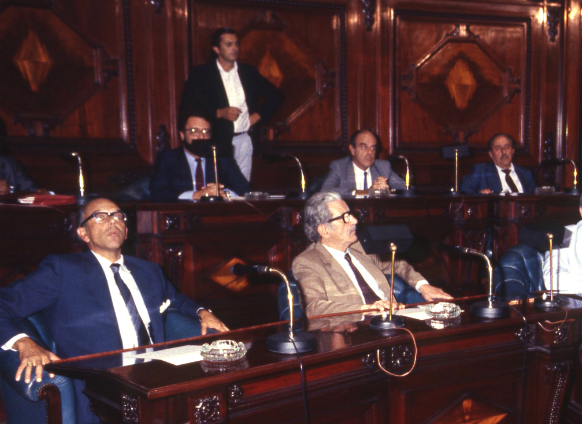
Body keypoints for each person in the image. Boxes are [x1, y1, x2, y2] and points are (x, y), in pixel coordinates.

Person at [0, 198, 228, 424]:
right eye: (100, 216)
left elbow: (177, 298)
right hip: (102, 385)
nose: (112, 221)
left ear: (127, 231)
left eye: (118, 216)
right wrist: (24, 343)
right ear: (83, 233)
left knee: (219, 399)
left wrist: (202, 311)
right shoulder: (62, 271)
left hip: (157, 372)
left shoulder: (149, 271)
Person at [292, 191, 451, 316]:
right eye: (345, 218)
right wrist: (366, 309)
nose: (354, 221)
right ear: (324, 230)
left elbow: (397, 265)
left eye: (352, 215)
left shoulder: (359, 247)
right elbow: (314, 307)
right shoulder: (308, 261)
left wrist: (424, 286)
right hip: (352, 332)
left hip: (394, 319)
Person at [179, 27, 283, 180]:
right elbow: (188, 108)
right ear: (216, 49)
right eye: (229, 44)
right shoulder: (202, 74)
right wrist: (219, 113)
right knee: (217, 188)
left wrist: (257, 116)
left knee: (241, 190)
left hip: (244, 140)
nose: (234, 48)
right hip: (216, 142)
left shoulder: (248, 72)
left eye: (236, 44)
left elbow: (277, 96)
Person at [150, 113, 251, 201]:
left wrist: (223, 194)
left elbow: (246, 190)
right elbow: (158, 192)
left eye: (205, 131)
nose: (201, 137)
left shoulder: (221, 158)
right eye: (194, 131)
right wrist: (195, 195)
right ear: (182, 135)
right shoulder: (169, 158)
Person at [320, 130, 407, 195]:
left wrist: (387, 189)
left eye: (373, 148)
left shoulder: (383, 166)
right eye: (364, 147)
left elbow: (406, 188)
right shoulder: (340, 166)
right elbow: (325, 190)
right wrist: (363, 192)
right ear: (352, 149)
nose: (369, 152)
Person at [460, 133, 537, 195]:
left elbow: (535, 195)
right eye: (498, 148)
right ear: (491, 154)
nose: (504, 152)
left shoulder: (526, 173)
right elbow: (464, 191)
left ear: (513, 151)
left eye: (507, 147)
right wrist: (480, 196)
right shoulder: (481, 170)